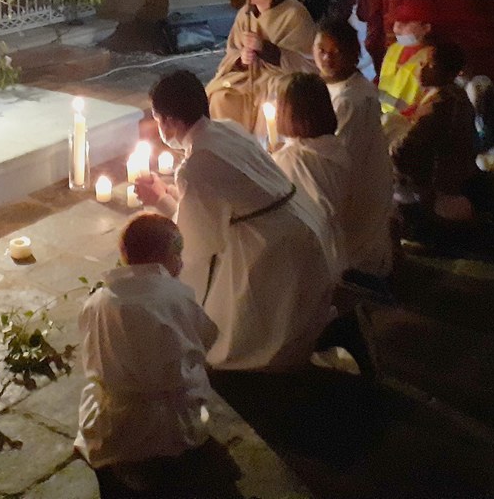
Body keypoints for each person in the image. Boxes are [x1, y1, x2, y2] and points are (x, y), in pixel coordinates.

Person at [135, 71, 336, 371]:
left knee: (235, 332)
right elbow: (229, 195)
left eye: (157, 119)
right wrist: (171, 192)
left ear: (170, 121)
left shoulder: (196, 163)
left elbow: (198, 241)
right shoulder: (228, 129)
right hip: (300, 220)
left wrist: (160, 201)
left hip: (274, 245)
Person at [76, 213, 220, 498]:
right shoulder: (175, 296)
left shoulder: (98, 301)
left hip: (120, 419)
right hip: (175, 418)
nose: (181, 263)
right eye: (177, 254)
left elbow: (91, 355)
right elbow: (205, 337)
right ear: (157, 258)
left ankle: (129, 461)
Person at [313, 17, 395, 279]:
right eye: (321, 50)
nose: (326, 58)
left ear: (353, 55)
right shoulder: (328, 87)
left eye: (335, 52)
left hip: (356, 194)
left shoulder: (352, 99)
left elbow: (337, 158)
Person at [205, 0, 317, 135]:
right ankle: (231, 148)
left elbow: (306, 61)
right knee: (221, 97)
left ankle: (266, 148)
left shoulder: (294, 14)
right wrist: (241, 59)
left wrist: (264, 48)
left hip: (278, 78)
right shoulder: (245, 14)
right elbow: (232, 51)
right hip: (247, 77)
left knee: (275, 101)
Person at [391, 40, 479, 228]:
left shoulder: (439, 105)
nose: (421, 69)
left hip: (435, 190)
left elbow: (403, 150)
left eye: (431, 66)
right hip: (453, 183)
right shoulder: (456, 96)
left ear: (450, 73)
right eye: (421, 63)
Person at [270, 72, 348, 273]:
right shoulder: (335, 146)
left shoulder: (292, 158)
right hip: (335, 246)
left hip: (308, 254)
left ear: (289, 113)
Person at [377, 0, 434, 119]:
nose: (396, 28)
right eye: (396, 22)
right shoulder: (393, 49)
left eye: (405, 23)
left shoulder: (431, 58)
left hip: (412, 121)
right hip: (383, 115)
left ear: (426, 28)